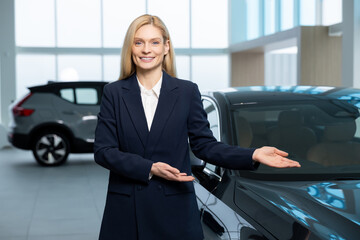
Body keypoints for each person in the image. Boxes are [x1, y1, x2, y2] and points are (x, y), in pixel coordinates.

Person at [94, 14, 300, 240]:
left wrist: (253, 154)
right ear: (131, 48)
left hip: (173, 210)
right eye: (139, 42)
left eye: (154, 42)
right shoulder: (114, 93)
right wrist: (150, 168)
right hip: (126, 211)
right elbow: (104, 152)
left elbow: (205, 146)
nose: (146, 49)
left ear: (166, 47)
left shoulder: (186, 91)